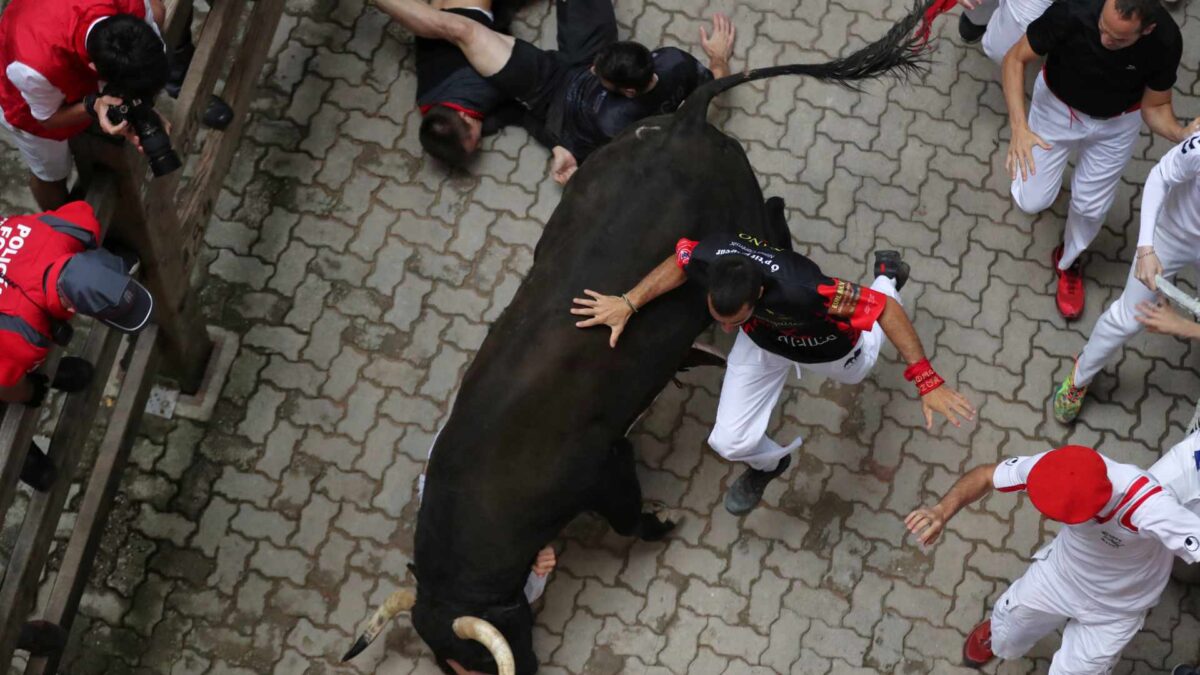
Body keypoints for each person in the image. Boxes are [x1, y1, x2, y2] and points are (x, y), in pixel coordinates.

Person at [572, 229, 974, 515]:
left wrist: (927, 380)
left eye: (734, 319)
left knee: (863, 362)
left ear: (760, 293)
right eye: (719, 320)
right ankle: (771, 464)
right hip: (763, 343)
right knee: (728, 441)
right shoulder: (711, 257)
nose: (724, 330)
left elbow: (883, 312)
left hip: (826, 347)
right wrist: (628, 302)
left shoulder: (809, 290)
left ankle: (887, 274)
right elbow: (680, 259)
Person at [906, 445, 1200, 672]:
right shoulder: (1057, 467)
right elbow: (985, 475)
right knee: (1008, 628)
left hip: (1118, 608)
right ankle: (999, 638)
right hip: (1062, 575)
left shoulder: (1149, 506)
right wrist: (941, 511)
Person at [375, 0, 734, 181]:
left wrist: (563, 152)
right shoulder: (674, 62)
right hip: (555, 76)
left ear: (624, 92)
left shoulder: (617, 128)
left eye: (599, 74)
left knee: (467, 32)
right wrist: (719, 61)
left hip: (549, 90)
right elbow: (710, 92)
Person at [1000, 0, 1197, 320]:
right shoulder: (1073, 8)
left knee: (1091, 207)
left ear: (1147, 29)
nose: (1106, 40)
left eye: (1118, 39)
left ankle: (1069, 260)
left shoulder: (1166, 40)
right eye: (1103, 29)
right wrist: (1019, 127)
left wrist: (1180, 132)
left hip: (1117, 124)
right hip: (1057, 109)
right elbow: (1015, 59)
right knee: (1032, 200)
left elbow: (1155, 106)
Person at [0, 0, 231, 211]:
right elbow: (47, 119)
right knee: (52, 172)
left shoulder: (133, 6)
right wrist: (92, 106)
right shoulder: (34, 69)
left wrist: (143, 108)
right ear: (94, 71)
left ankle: (175, 84)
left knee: (159, 11)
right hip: (23, 96)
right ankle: (66, 231)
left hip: (62, 31)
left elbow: (155, 20)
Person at [0, 201, 154, 492]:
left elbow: (81, 210)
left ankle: (52, 376)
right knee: (18, 383)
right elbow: (4, 384)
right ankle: (26, 461)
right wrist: (30, 392)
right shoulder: (22, 338)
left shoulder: (66, 231)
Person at [1052, 133, 1200, 423]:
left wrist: (1184, 326)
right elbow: (1161, 176)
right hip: (1171, 232)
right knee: (1129, 316)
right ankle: (1080, 376)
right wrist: (1146, 246)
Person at [413, 0, 528, 167]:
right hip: (433, 14)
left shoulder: (485, 88)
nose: (480, 143)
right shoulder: (427, 101)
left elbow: (523, 111)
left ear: (464, 116)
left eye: (475, 140)